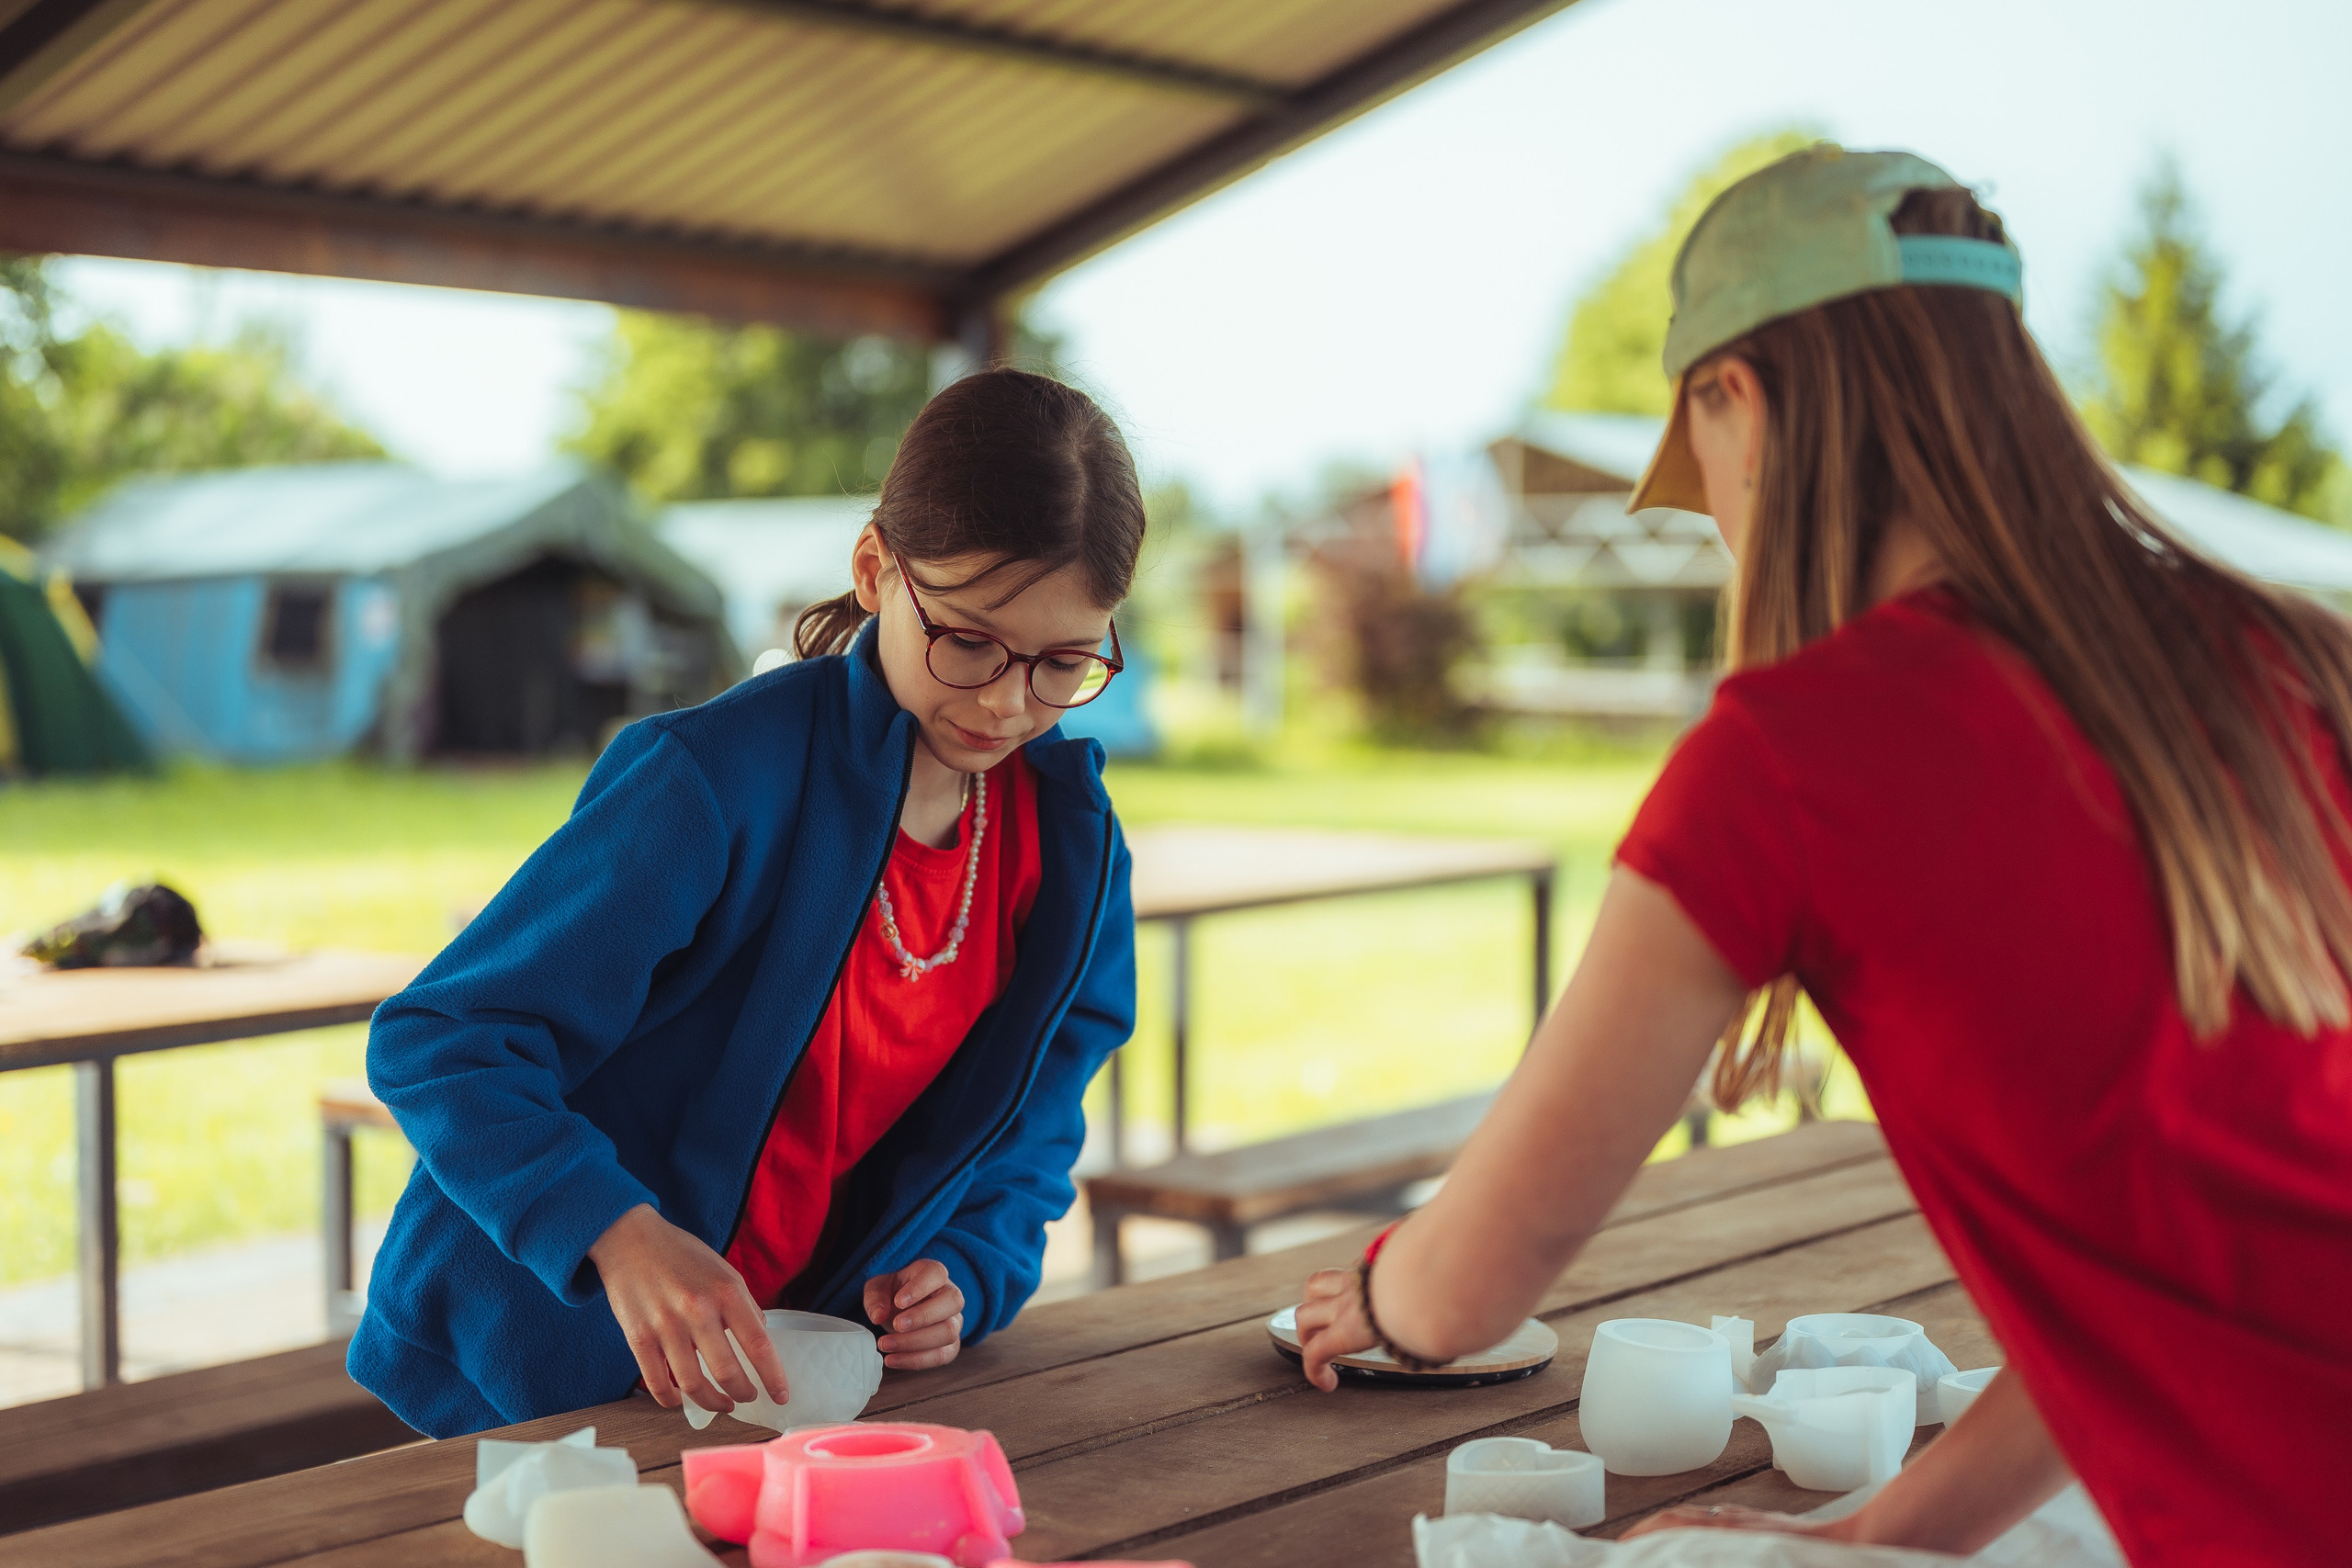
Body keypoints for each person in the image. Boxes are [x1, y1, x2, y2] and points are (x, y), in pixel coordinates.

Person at [1295, 146, 2352, 1565]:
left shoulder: (1787, 755)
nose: (1727, 528)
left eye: (1704, 466)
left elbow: (1468, 1289)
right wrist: (1879, 1529)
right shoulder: (2297, 655)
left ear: (1739, 399)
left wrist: (1380, 1291)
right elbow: (2146, 1283)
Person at [351, 368, 1141, 1438]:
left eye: (1063, 663)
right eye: (966, 641)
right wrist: (618, 1234)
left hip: (778, 1385)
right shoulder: (712, 779)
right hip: (532, 1380)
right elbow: (443, 1039)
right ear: (875, 570)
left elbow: (1034, 1120)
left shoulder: (1072, 852)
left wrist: (969, 1263)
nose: (1006, 702)